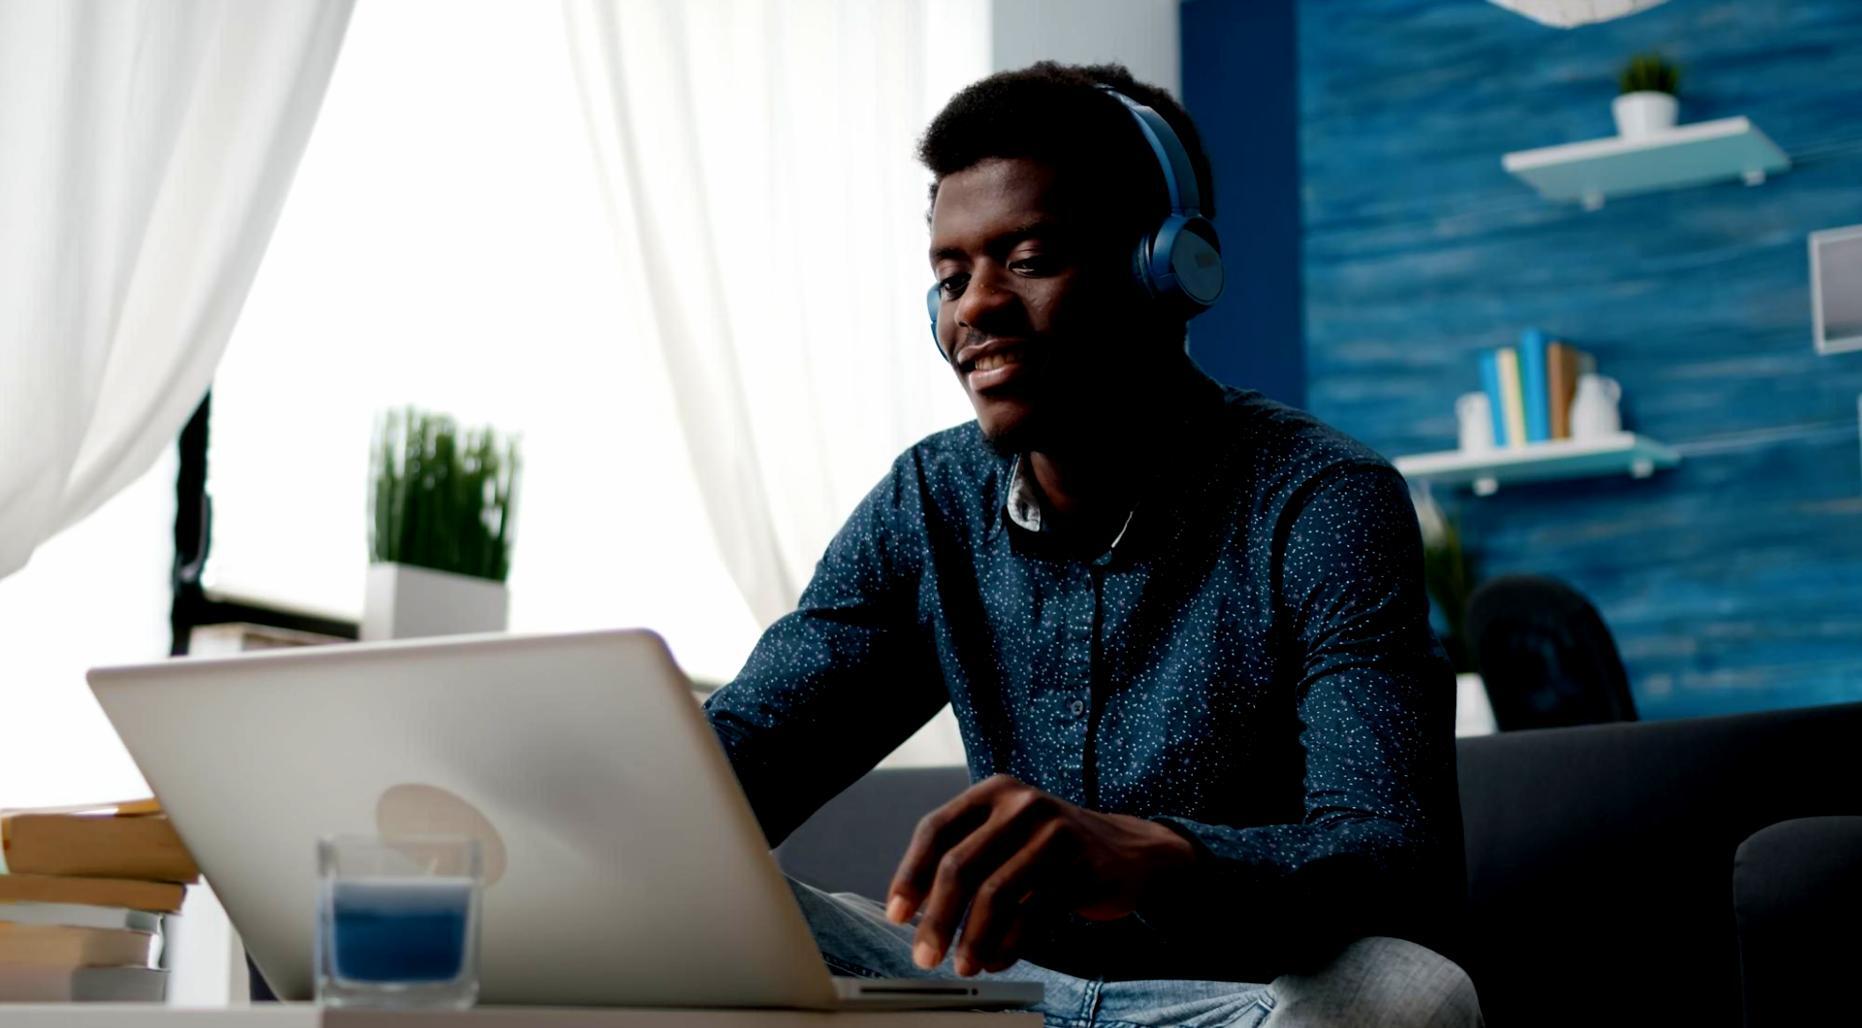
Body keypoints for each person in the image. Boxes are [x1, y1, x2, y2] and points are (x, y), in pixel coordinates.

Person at [703, 61, 1483, 1027]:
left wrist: (1159, 857)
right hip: (1006, 1000)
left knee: (1407, 994)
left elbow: (1392, 857)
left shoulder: (1321, 501)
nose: (973, 308)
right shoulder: (929, 503)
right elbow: (740, 765)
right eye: (950, 278)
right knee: (705, 910)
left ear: (1169, 269)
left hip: (1242, 1006)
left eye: (1028, 259)